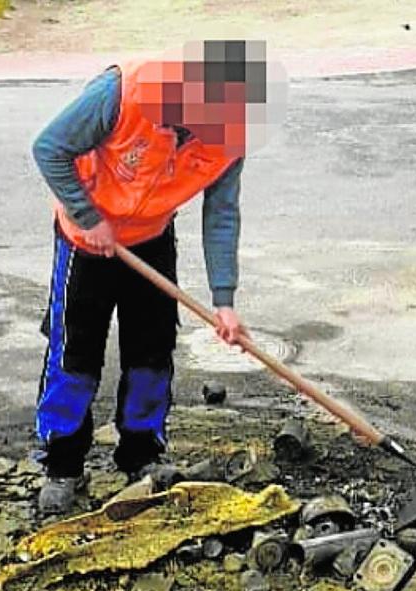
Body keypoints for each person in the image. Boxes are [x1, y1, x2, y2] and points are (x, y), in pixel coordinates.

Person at [30, 40, 268, 515]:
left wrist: (225, 301)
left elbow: (221, 214)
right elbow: (49, 148)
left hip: (151, 236)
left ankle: (141, 455)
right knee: (75, 354)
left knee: (152, 351)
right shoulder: (124, 91)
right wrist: (87, 216)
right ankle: (63, 465)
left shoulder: (230, 133)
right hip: (87, 237)